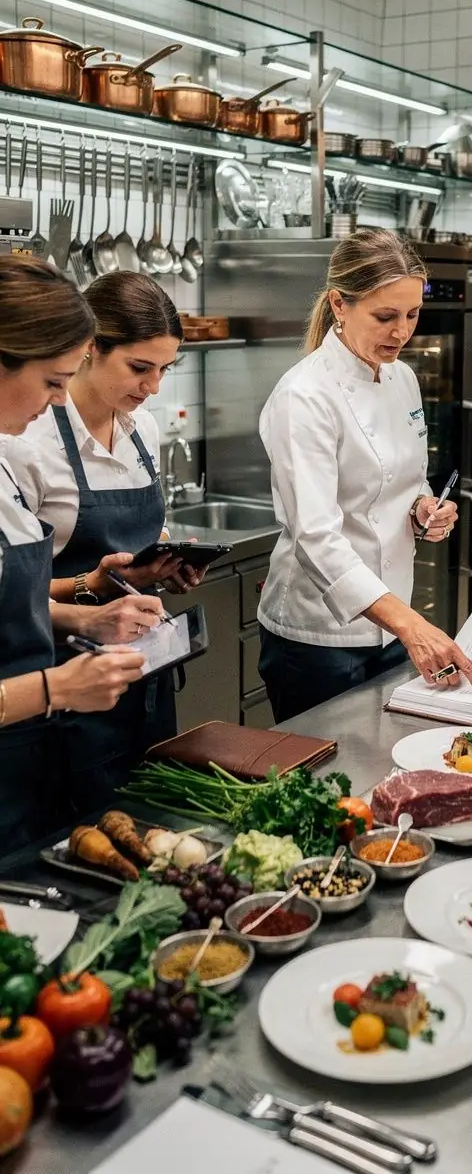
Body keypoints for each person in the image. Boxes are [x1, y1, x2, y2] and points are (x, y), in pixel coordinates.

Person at [257, 229, 472, 720]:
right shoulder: (305, 396)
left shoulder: (402, 378)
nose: (402, 332)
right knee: (326, 781)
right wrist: (410, 625)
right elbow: (315, 535)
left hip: (392, 619)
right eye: (385, 316)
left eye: (412, 315)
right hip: (319, 634)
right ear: (340, 304)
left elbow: (404, 478)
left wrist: (423, 508)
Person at [3, 271, 204, 811]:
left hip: (138, 670)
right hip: (59, 691)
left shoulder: (142, 431)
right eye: (140, 368)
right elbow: (20, 598)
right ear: (92, 349)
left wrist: (152, 566)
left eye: (165, 370)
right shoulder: (26, 443)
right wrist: (92, 596)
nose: (153, 386)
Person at [0, 256, 154, 849]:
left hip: (27, 763)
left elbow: (12, 605)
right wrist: (58, 688)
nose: (61, 399)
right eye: (52, 381)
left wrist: (86, 607)